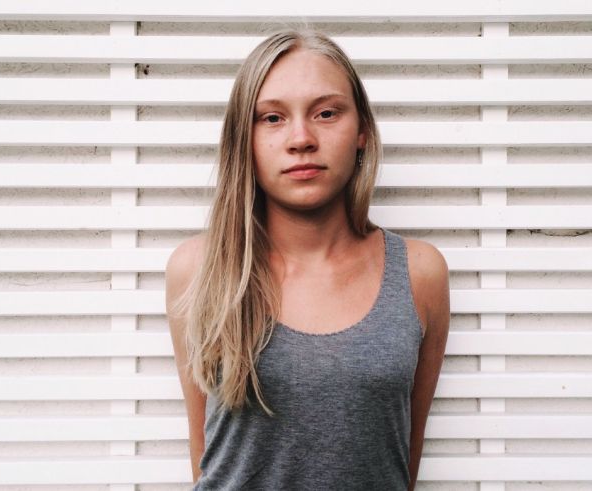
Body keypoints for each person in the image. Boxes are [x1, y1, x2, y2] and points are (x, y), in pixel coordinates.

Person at [165, 28, 449, 490]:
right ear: (245, 139)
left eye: (326, 112)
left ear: (361, 132)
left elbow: (401, 463)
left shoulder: (419, 274)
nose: (301, 138)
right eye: (272, 118)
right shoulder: (198, 271)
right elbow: (206, 458)